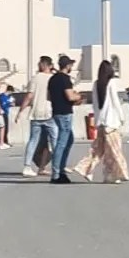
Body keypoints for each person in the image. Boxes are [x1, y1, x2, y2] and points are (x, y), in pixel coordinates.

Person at [75, 61, 129, 183]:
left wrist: (97, 120)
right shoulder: (111, 83)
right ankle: (118, 174)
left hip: (101, 122)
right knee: (114, 150)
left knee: (98, 150)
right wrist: (121, 117)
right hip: (111, 123)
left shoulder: (96, 84)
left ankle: (86, 169)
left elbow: (95, 104)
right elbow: (115, 101)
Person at [20, 56, 57, 177]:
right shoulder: (53, 78)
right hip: (49, 113)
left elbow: (29, 96)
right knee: (55, 140)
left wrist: (21, 110)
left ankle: (27, 166)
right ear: (50, 65)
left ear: (41, 65)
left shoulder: (35, 78)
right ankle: (58, 166)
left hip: (36, 113)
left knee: (33, 141)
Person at [48, 55, 83, 184]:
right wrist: (79, 96)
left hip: (56, 111)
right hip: (64, 113)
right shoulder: (65, 79)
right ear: (67, 66)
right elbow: (70, 96)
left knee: (68, 139)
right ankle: (57, 173)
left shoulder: (52, 79)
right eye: (71, 65)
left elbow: (49, 97)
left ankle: (60, 169)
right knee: (62, 143)